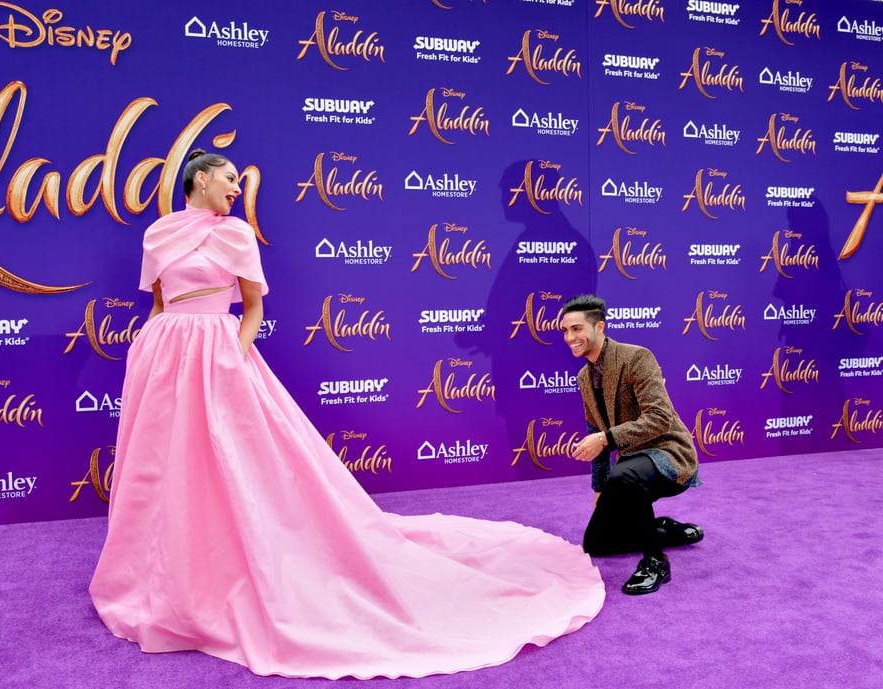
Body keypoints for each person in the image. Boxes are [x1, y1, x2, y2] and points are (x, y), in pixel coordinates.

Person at [89, 150, 606, 679]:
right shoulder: (159, 234)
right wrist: (141, 351)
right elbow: (157, 305)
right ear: (200, 179)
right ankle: (160, 576)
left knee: (231, 465)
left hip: (220, 356)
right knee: (162, 467)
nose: (234, 189)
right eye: (227, 179)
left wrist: (232, 356)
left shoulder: (237, 235)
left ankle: (223, 574)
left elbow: (252, 309)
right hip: (161, 358)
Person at [560, 294, 703, 595]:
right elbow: (594, 434)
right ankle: (662, 528)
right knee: (596, 543)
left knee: (624, 473)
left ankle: (655, 561)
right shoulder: (584, 378)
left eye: (576, 329)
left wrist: (606, 438)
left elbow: (660, 418)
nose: (570, 337)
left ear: (599, 327)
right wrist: (599, 489)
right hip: (629, 466)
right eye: (565, 330)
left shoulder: (637, 357)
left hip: (668, 454)